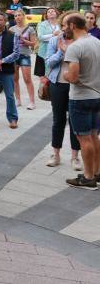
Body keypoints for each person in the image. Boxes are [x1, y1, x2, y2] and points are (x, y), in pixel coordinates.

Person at [62, 13, 100, 190]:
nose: (63, 29)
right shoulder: (96, 42)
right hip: (97, 95)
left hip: (81, 98)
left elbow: (73, 76)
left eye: (65, 25)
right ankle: (97, 173)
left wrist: (65, 75)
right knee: (93, 136)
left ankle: (88, 177)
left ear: (73, 26)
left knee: (84, 139)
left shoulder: (75, 47)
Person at [44, 25, 82, 171]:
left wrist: (68, 51)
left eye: (70, 24)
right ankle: (56, 154)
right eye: (65, 24)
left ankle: (75, 156)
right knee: (58, 120)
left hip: (76, 86)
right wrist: (61, 51)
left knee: (75, 121)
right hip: (58, 84)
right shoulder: (55, 41)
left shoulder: (80, 42)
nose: (68, 27)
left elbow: (84, 64)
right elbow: (49, 63)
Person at [0, 13, 20, 128]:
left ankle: (12, 118)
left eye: (0, 20)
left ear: (5, 21)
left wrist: (2, 61)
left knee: (10, 95)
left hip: (7, 70)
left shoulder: (13, 35)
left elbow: (16, 54)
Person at [10, 9, 37, 111]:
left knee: (27, 79)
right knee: (15, 79)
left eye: (19, 15)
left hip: (25, 55)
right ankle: (18, 99)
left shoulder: (29, 29)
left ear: (23, 16)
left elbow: (33, 43)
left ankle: (32, 101)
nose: (18, 17)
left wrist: (23, 40)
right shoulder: (11, 29)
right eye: (16, 16)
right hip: (14, 56)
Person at [35, 8, 61, 77]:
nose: (51, 12)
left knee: (56, 72)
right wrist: (53, 35)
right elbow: (40, 37)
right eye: (49, 12)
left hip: (58, 51)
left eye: (53, 11)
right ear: (46, 15)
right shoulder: (42, 24)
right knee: (45, 75)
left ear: (56, 13)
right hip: (44, 52)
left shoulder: (60, 24)